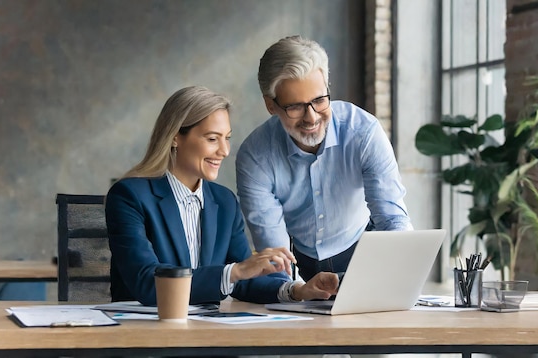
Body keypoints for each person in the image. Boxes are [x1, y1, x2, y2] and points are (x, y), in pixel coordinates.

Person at [105, 85, 339, 306]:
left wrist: (297, 290)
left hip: (208, 338)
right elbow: (147, 283)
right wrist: (234, 271)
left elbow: (245, 282)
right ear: (176, 137)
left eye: (226, 138)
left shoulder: (224, 202)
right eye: (212, 139)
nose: (225, 151)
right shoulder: (129, 196)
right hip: (145, 337)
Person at [236, 35, 413, 282]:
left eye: (319, 100)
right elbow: (274, 252)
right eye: (295, 107)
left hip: (364, 251)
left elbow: (392, 219)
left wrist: (398, 278)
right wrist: (293, 292)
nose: (311, 117)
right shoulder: (255, 156)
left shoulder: (363, 132)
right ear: (271, 105)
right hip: (298, 262)